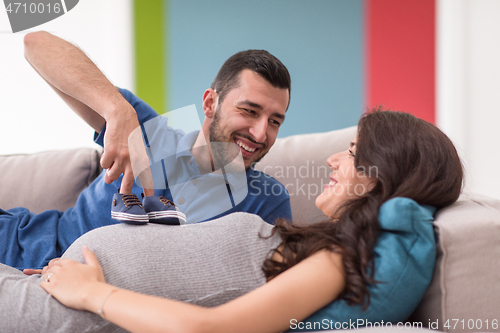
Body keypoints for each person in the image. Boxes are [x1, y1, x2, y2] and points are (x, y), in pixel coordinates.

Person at [0, 110, 463, 333]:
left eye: (354, 153)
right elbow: (37, 45)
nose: (333, 158)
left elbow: (210, 329)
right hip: (51, 277)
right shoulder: (328, 246)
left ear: (381, 177)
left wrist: (92, 293)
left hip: (66, 306)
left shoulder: (338, 261)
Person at [0, 31, 293, 270]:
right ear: (209, 104)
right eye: (249, 111)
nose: (260, 133)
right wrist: (116, 110)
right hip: (20, 244)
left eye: (275, 121)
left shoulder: (267, 200)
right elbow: (36, 45)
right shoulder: (147, 129)